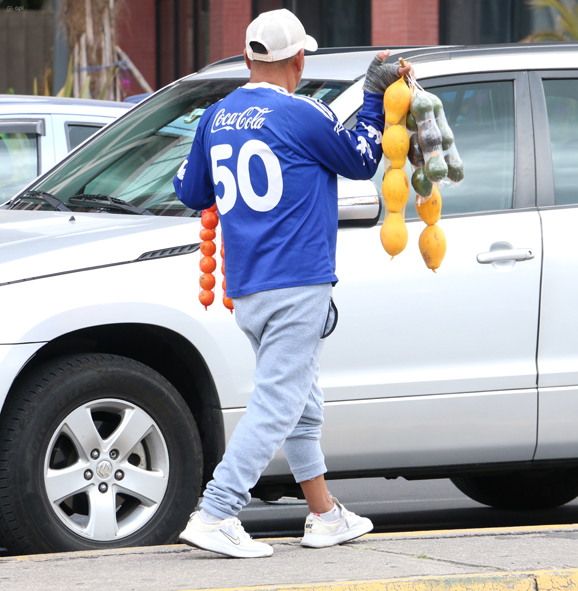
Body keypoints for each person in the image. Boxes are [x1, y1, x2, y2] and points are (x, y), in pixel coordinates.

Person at [173, 9, 413, 558]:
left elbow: (189, 192)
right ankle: (217, 511)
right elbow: (361, 158)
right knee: (281, 402)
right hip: (298, 280)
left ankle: (324, 514)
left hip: (250, 286)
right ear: (299, 59)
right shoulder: (303, 112)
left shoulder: (215, 116)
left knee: (302, 397)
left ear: (246, 58)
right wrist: (375, 96)